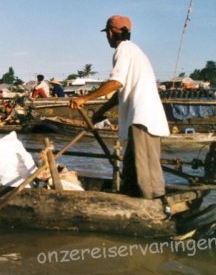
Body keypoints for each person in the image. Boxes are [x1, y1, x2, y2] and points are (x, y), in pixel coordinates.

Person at [69, 15, 169, 199]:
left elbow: (116, 82)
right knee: (131, 168)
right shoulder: (134, 50)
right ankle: (130, 201)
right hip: (141, 119)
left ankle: (156, 207)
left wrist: (86, 98)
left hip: (143, 118)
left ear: (109, 33)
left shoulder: (123, 50)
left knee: (146, 171)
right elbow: (119, 91)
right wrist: (100, 111)